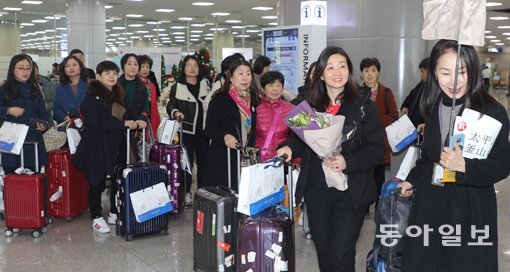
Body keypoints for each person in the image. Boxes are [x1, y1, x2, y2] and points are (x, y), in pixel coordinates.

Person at [397, 39, 510, 272]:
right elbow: (430, 157)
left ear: (473, 70)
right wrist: (413, 178)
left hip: (470, 210)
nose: (455, 81)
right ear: (435, 74)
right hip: (431, 206)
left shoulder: (490, 111)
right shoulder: (431, 105)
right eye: (445, 72)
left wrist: (465, 166)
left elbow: (503, 163)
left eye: (461, 71)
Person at [276, 46, 385, 271]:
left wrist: (348, 162)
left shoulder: (363, 104)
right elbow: (299, 140)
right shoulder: (309, 104)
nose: (337, 72)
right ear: (321, 73)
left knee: (341, 254)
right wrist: (287, 148)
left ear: (349, 71)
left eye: (342, 66)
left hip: (350, 191)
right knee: (325, 255)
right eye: (330, 67)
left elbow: (376, 149)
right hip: (316, 190)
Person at [73, 61, 139, 233]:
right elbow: (96, 121)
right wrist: (123, 123)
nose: (111, 76)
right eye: (107, 73)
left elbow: (130, 113)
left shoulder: (120, 95)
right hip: (97, 145)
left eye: (114, 73)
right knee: (97, 182)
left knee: (118, 178)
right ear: (99, 76)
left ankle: (114, 211)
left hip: (117, 142)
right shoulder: (91, 97)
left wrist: (139, 120)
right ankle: (95, 215)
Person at [204, 59, 260, 191]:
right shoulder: (220, 100)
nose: (245, 78)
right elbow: (209, 129)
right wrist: (225, 136)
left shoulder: (255, 100)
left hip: (247, 159)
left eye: (248, 74)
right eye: (240, 73)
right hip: (224, 159)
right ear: (231, 77)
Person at [166, 55, 210, 206]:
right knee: (187, 164)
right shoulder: (177, 86)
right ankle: (186, 193)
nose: (192, 68)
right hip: (186, 132)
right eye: (189, 65)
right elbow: (170, 105)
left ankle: (203, 192)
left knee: (205, 163)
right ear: (184, 68)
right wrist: (176, 113)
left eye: (195, 65)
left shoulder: (205, 84)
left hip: (204, 131)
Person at [0, 54, 51, 173]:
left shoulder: (35, 90)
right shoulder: (4, 89)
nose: (25, 71)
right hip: (11, 139)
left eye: (28, 68)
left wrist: (44, 125)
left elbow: (44, 114)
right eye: (21, 68)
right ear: (13, 70)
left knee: (33, 175)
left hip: (32, 138)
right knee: (12, 176)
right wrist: (8, 110)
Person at [359, 57, 399, 207]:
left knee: (378, 176)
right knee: (362, 177)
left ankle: (378, 209)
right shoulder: (355, 93)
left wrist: (373, 121)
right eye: (366, 71)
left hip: (379, 142)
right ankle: (362, 208)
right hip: (360, 144)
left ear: (378, 73)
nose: (370, 74)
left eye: (373, 70)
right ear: (361, 73)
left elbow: (394, 115)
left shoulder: (386, 92)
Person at [255, 71, 294, 162]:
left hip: (283, 159)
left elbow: (301, 137)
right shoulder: (255, 108)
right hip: (259, 160)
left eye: (278, 85)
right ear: (263, 89)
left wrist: (296, 160)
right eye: (270, 85)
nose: (275, 89)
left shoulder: (291, 109)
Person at [53, 55, 88, 123]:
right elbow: (56, 109)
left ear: (80, 67)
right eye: (67, 66)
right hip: (68, 125)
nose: (71, 68)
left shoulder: (90, 86)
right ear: (64, 70)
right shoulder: (60, 89)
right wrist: (64, 117)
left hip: (88, 125)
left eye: (74, 65)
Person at [118, 53, 149, 126]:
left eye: (136, 64)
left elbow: (146, 108)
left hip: (137, 128)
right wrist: (125, 122)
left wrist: (140, 119)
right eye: (129, 64)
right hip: (119, 127)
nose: (133, 67)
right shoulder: (115, 86)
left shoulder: (143, 87)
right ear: (123, 67)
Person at [401, 57, 429, 129]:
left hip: (422, 130)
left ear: (429, 71)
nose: (420, 74)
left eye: (422, 71)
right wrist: (405, 106)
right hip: (413, 127)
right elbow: (411, 95)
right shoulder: (421, 84)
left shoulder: (435, 90)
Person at [138, 55, 161, 136]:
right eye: (142, 67)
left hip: (152, 118)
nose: (145, 69)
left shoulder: (152, 85)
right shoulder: (136, 83)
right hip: (140, 119)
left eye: (147, 67)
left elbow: (154, 105)